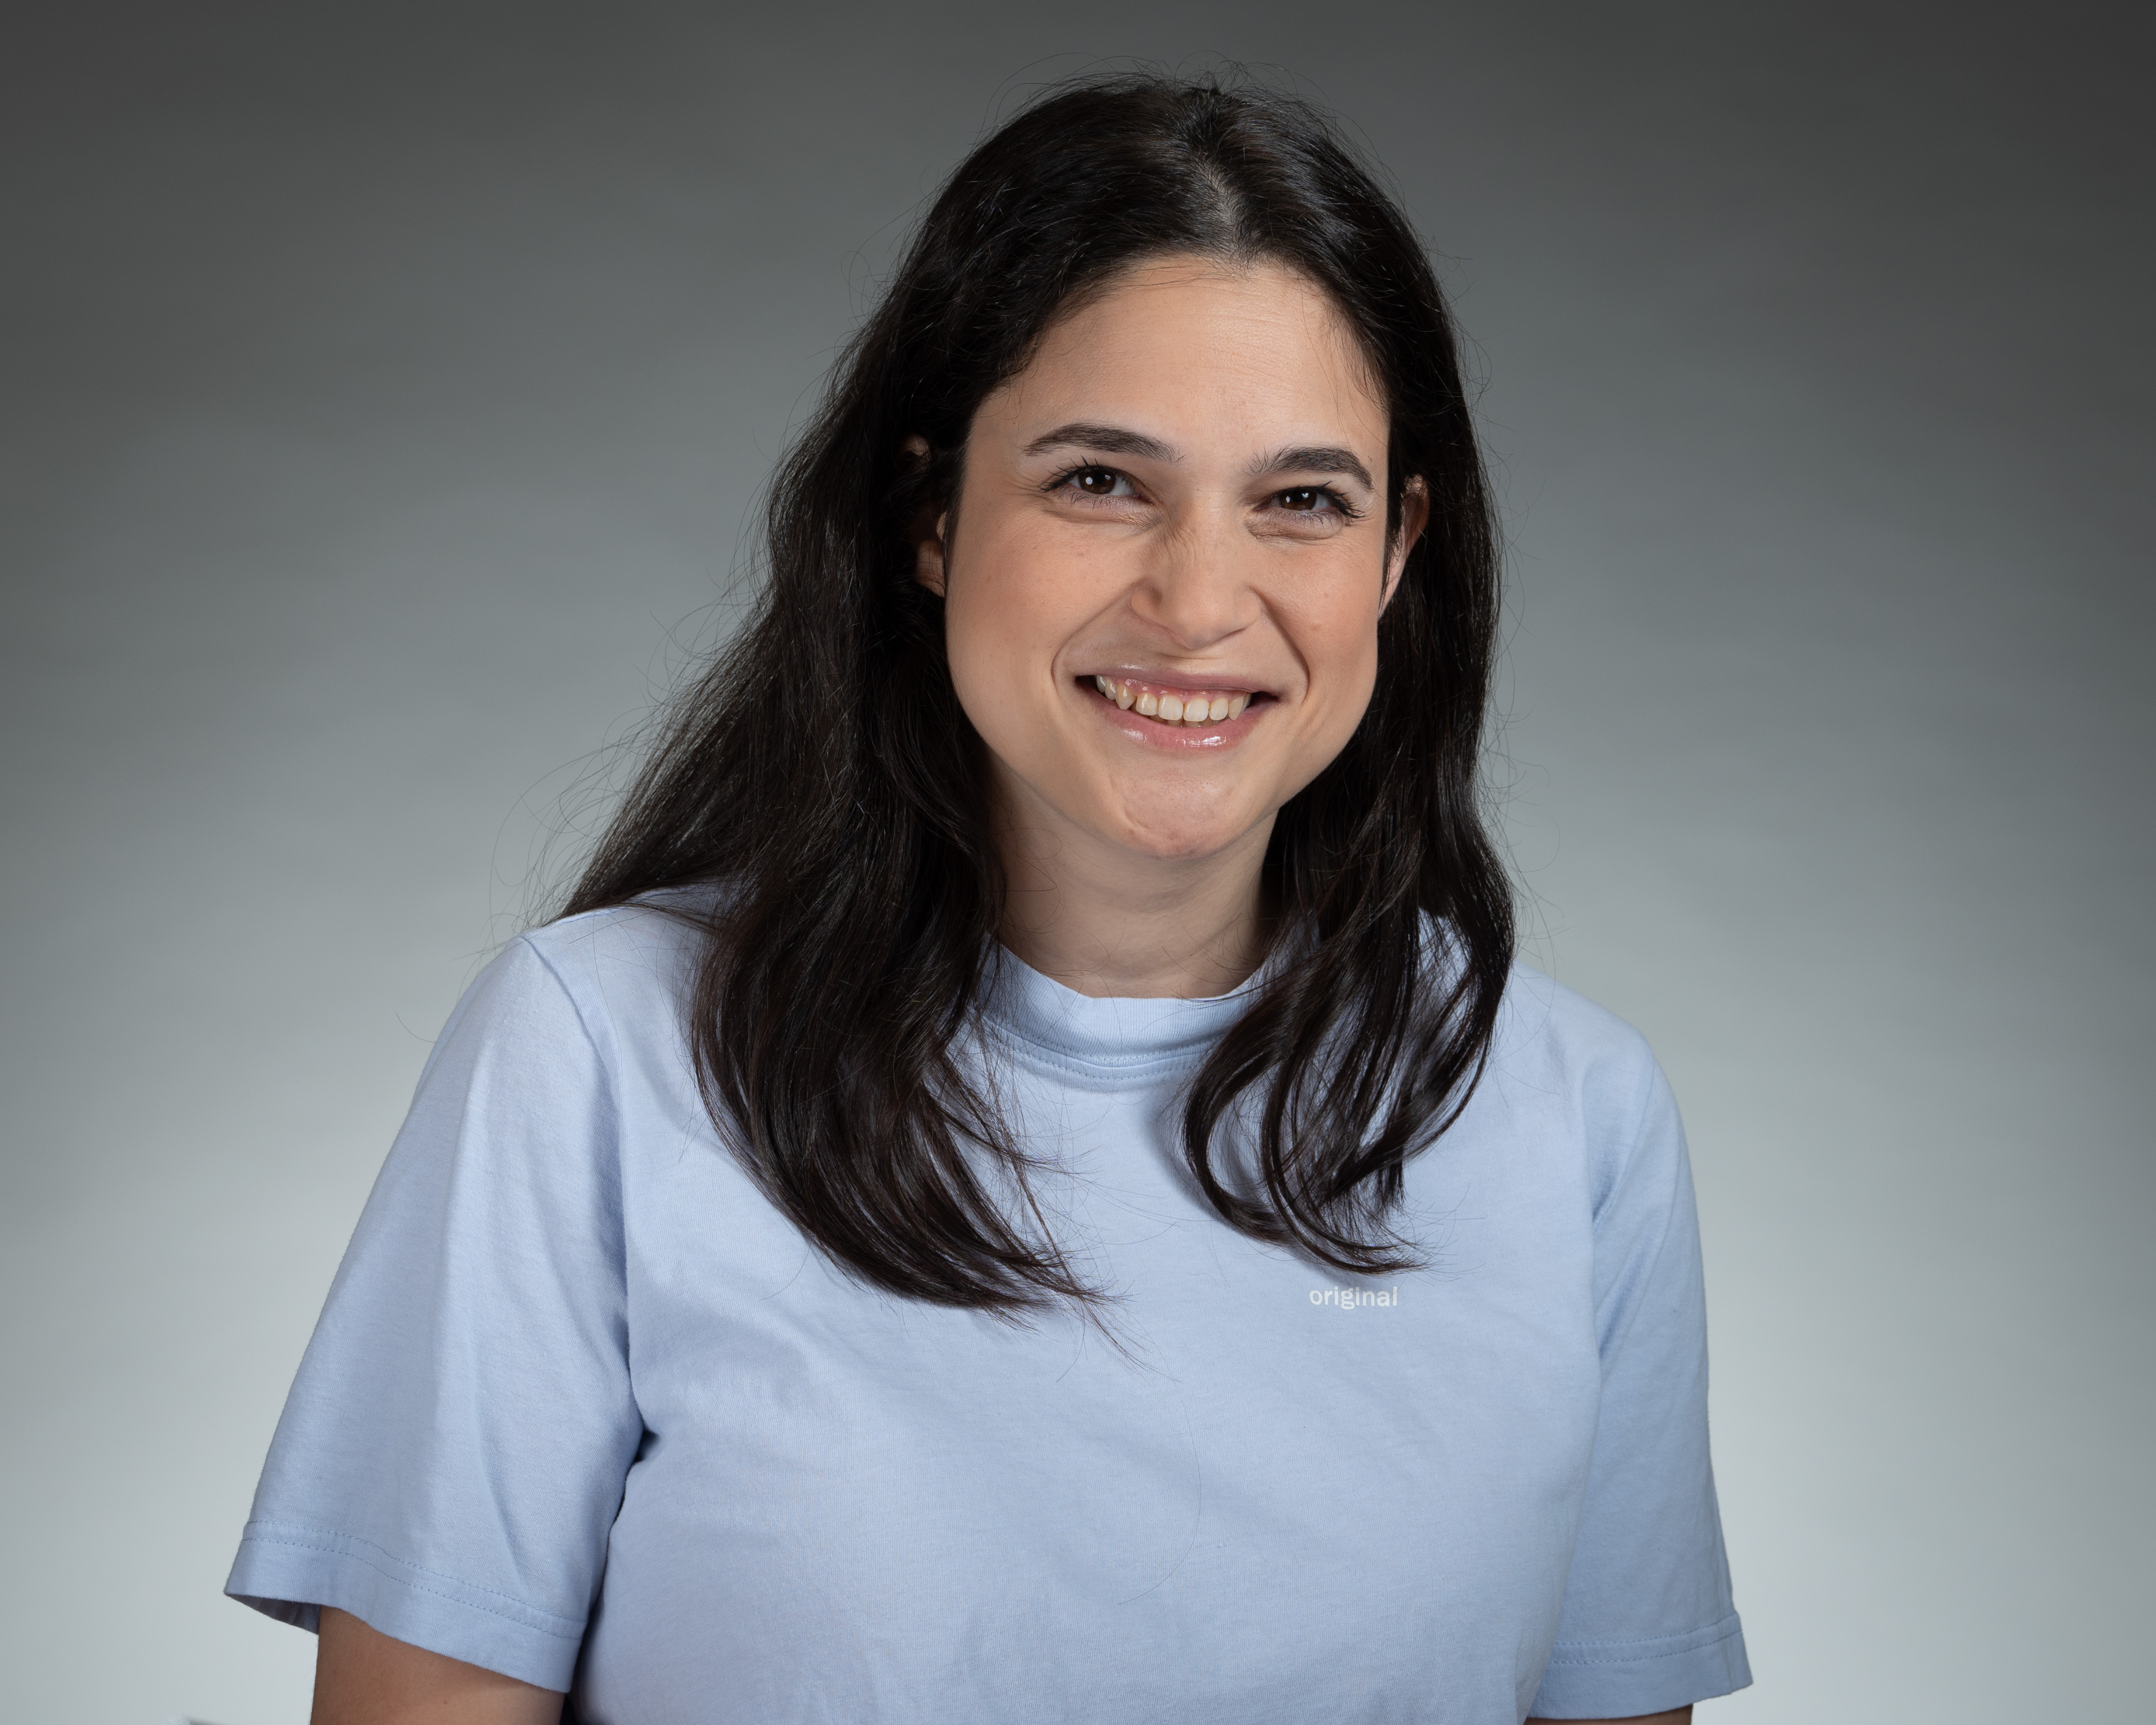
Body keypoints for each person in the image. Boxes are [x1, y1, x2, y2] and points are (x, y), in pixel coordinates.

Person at [226, 74, 1751, 1725]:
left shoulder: (1572, 1117)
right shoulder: (595, 1054)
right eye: (1101, 480)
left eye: (1302, 500)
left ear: (1396, 555)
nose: (1197, 599)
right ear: (932, 516)